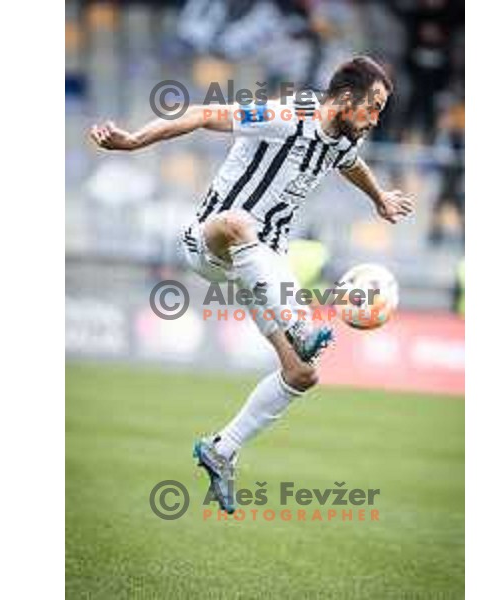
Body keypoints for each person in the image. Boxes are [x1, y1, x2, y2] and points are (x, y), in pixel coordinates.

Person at [90, 56, 414, 513]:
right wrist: (132, 141)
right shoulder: (287, 114)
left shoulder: (339, 140)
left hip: (258, 268)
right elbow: (205, 113)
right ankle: (299, 324)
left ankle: (222, 450)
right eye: (373, 106)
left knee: (302, 373)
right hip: (211, 239)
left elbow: (352, 164)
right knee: (241, 223)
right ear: (345, 99)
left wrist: (380, 198)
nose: (376, 118)